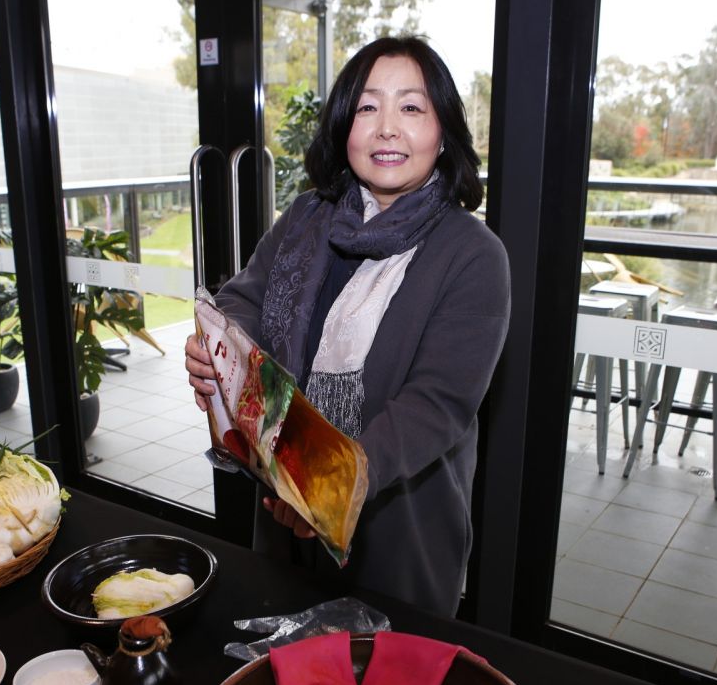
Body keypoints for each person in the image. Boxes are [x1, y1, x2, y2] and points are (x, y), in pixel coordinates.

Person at [185, 36, 510, 618]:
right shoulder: (310, 215)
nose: (387, 128)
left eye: (411, 107)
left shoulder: (473, 254)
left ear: (443, 133)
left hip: (396, 535)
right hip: (282, 516)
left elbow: (436, 405)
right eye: (367, 107)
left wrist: (327, 485)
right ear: (343, 126)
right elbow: (244, 298)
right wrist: (218, 346)